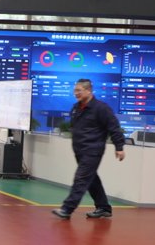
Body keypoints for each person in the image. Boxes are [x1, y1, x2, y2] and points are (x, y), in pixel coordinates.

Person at [51, 78, 125, 219]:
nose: (76, 93)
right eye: (75, 90)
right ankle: (103, 207)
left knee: (81, 178)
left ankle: (67, 209)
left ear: (89, 90)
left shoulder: (101, 108)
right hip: (79, 150)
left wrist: (119, 147)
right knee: (91, 179)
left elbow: (114, 127)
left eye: (79, 90)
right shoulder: (76, 108)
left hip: (93, 150)